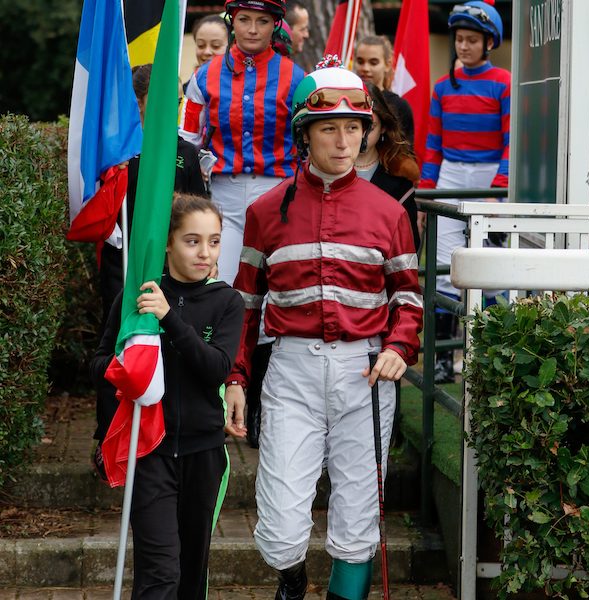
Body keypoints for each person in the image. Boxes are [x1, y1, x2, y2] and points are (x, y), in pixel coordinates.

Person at [224, 63, 423, 600]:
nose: (343, 141)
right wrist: (236, 378)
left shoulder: (390, 212)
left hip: (366, 373)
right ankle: (291, 579)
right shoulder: (264, 211)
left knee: (358, 517)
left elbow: (408, 298)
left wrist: (400, 346)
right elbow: (245, 306)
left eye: (354, 128)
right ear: (304, 135)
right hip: (291, 370)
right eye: (329, 128)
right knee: (280, 521)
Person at [91, 193, 245, 599]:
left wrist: (169, 319)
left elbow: (216, 367)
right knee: (159, 572)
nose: (205, 252)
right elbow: (99, 364)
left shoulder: (227, 302)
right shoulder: (137, 297)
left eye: (214, 241)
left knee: (191, 574)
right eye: (192, 241)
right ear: (168, 244)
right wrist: (127, 369)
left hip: (203, 453)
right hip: (149, 451)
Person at [94, 64, 206, 469]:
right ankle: (109, 435)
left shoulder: (185, 153)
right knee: (122, 345)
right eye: (160, 100)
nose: (170, 108)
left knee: (168, 345)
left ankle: (160, 432)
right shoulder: (118, 151)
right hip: (124, 265)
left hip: (172, 271)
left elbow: (200, 211)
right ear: (138, 103)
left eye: (176, 101)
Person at [179, 0, 305, 286]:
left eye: (262, 21)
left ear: (275, 25)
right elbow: (187, 140)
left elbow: (307, 146)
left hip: (280, 196)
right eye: (244, 19)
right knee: (221, 285)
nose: (252, 29)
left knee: (278, 288)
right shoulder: (203, 76)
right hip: (224, 197)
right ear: (232, 21)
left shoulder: (297, 79)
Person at [420, 0, 510, 383]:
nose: (464, 46)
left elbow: (510, 141)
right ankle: (442, 359)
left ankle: (493, 354)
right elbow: (433, 145)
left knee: (490, 268)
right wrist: (426, 195)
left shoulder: (503, 82)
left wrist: (498, 189)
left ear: (489, 43)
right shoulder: (443, 87)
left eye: (472, 40)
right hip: (451, 175)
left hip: (488, 176)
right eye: (459, 39)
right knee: (444, 267)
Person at [356, 82, 421, 249]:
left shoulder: (399, 176)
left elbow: (409, 243)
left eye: (370, 127)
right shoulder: (327, 170)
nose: (362, 135)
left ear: (383, 127)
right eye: (354, 126)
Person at [354, 35, 414, 146]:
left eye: (373, 63)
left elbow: (406, 151)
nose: (365, 68)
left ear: (387, 65)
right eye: (360, 61)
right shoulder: (346, 99)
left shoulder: (399, 106)